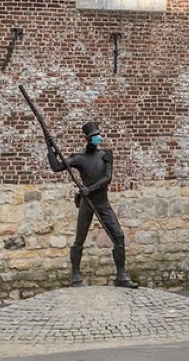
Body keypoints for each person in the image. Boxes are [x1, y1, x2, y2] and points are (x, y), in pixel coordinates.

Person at [47, 120, 133, 288]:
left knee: (119, 236)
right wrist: (50, 149)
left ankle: (121, 275)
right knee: (80, 239)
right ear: (87, 139)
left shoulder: (106, 155)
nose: (97, 138)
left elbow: (107, 177)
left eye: (98, 135)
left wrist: (90, 189)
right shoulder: (79, 158)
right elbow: (57, 167)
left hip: (102, 203)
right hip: (87, 204)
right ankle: (76, 275)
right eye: (93, 136)